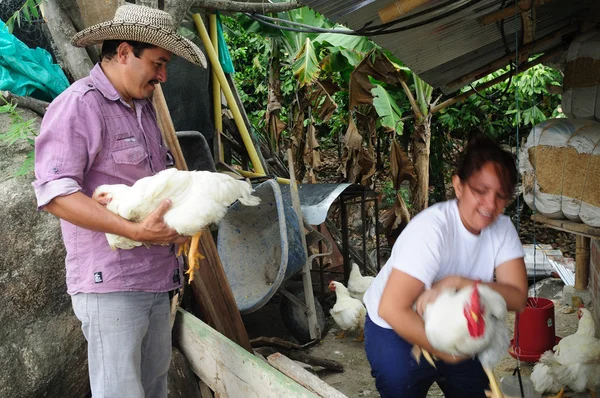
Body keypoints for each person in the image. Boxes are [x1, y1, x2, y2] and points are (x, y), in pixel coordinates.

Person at [32, 4, 206, 397]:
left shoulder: (142, 110)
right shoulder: (79, 105)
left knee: (153, 387)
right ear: (125, 51)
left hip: (156, 278)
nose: (163, 76)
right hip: (111, 284)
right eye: (158, 63)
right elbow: (55, 194)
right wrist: (135, 230)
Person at [363, 135, 528, 398]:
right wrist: (445, 353)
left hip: (455, 324)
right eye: (480, 191)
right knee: (401, 387)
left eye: (500, 195)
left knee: (477, 392)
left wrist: (460, 282)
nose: (490, 204)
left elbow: (518, 297)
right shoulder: (431, 230)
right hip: (396, 327)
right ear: (459, 186)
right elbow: (392, 308)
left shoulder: (502, 230)